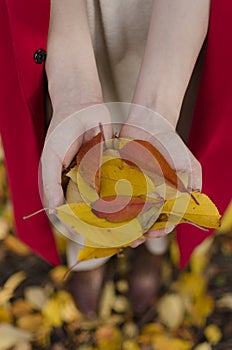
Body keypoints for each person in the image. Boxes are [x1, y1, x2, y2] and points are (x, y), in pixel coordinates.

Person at [1, 0, 231, 316]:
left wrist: (158, 107)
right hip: (75, 22)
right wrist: (73, 90)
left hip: (178, 26)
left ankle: (155, 247)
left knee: (165, 151)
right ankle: (89, 251)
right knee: (80, 153)